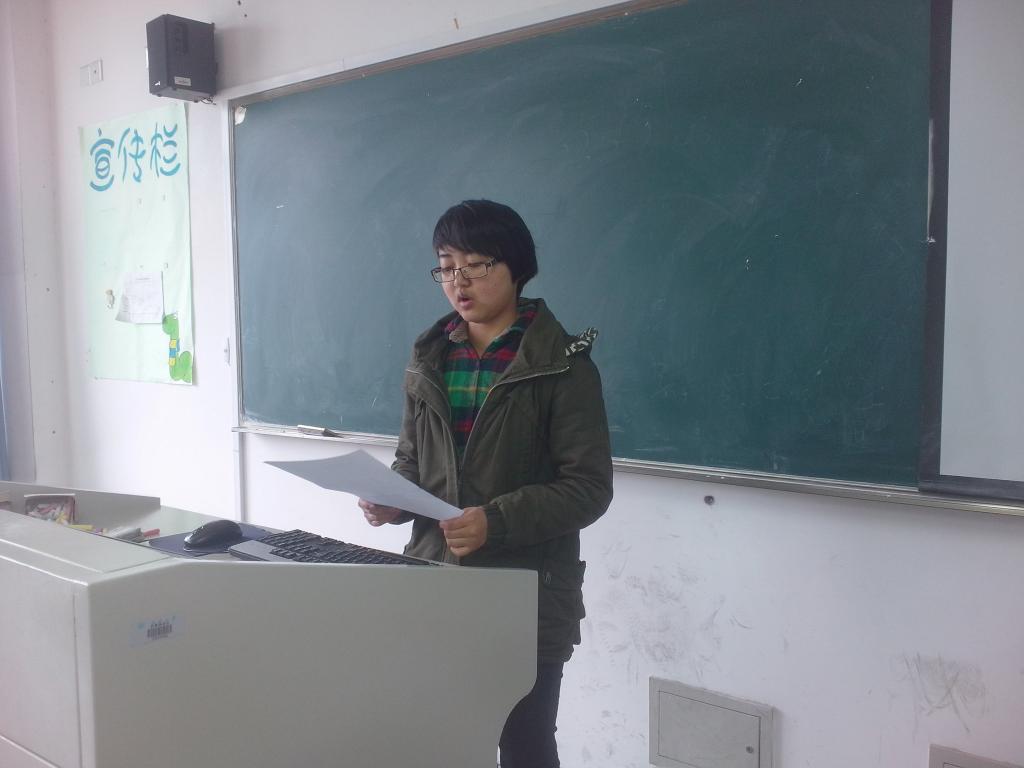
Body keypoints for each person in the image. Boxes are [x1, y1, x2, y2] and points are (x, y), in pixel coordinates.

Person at [358, 199, 613, 768]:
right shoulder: (429, 357)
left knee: (524, 745)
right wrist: (392, 500)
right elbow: (411, 461)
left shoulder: (563, 366)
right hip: (434, 582)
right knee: (438, 740)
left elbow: (588, 487)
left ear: (516, 267)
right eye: (447, 266)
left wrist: (493, 522)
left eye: (476, 265)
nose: (459, 282)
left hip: (525, 594)